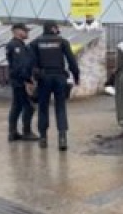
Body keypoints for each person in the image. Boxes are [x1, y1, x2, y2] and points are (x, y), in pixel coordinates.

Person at [30, 21, 80, 151]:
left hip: (43, 78)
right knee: (60, 108)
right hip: (59, 78)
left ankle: (43, 138)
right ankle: (62, 138)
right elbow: (71, 61)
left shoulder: (35, 43)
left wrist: (34, 78)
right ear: (53, 28)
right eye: (57, 28)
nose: (58, 30)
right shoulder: (62, 42)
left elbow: (31, 63)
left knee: (43, 108)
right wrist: (76, 76)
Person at [5, 23, 38, 142]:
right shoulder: (16, 46)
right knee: (29, 107)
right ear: (17, 31)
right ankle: (26, 132)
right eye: (25, 30)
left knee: (17, 106)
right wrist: (27, 81)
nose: (27, 33)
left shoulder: (19, 45)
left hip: (18, 80)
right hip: (20, 81)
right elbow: (21, 65)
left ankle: (13, 132)